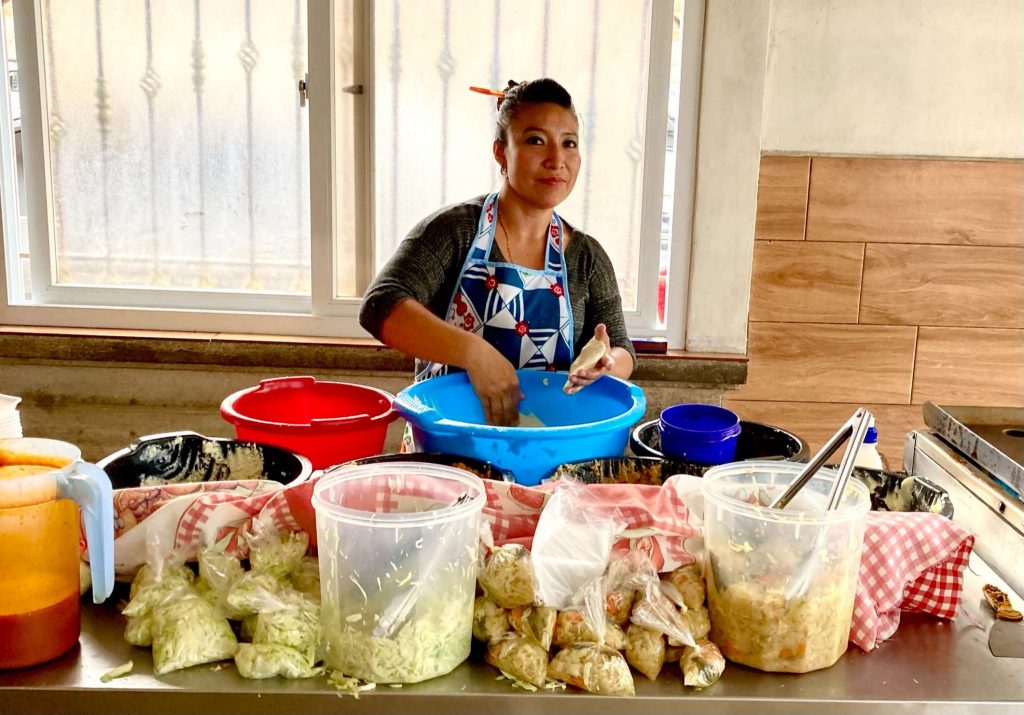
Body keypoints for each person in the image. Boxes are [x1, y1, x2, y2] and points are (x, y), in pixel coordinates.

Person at [359, 78, 635, 426]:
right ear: (501, 152)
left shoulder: (586, 257)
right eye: (536, 140)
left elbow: (623, 349)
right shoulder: (455, 231)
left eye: (569, 143)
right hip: (449, 452)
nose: (556, 160)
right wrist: (475, 354)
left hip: (547, 452)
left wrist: (606, 363)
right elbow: (379, 305)